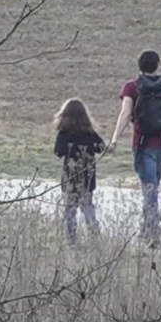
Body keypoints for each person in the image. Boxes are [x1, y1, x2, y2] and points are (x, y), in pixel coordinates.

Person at [106, 50, 161, 247]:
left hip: (142, 144)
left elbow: (125, 113)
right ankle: (146, 230)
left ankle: (153, 234)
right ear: (157, 65)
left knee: (149, 190)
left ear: (139, 65)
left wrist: (114, 140)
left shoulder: (132, 87)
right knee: (152, 187)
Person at [54, 98, 105, 245]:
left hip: (70, 177)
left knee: (70, 210)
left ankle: (71, 241)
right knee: (87, 207)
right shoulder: (89, 133)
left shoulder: (63, 134)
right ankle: (95, 235)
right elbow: (101, 147)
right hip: (88, 177)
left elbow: (58, 152)